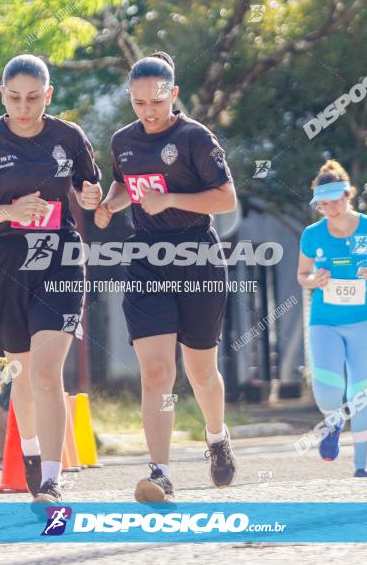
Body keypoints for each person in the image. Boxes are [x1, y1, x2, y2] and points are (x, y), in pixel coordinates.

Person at [0, 54, 102, 503]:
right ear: (2, 96)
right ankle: (31, 455)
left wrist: (92, 196)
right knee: (21, 370)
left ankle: (53, 479)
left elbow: (89, 193)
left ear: (48, 95)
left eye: (33, 98)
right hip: (4, 258)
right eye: (14, 98)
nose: (23, 106)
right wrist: (8, 212)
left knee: (48, 370)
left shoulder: (68, 136)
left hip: (60, 256)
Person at [95, 51, 239, 502]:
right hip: (146, 260)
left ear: (173, 95)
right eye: (138, 103)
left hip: (198, 255)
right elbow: (124, 185)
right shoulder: (122, 141)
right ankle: (159, 473)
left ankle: (217, 438)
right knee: (156, 371)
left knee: (200, 371)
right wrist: (106, 204)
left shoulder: (196, 137)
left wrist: (172, 199)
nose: (147, 112)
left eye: (155, 102)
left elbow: (226, 198)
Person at [296, 160, 367, 478]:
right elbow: (301, 276)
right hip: (324, 321)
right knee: (327, 390)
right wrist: (314, 279)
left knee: (361, 394)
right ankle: (332, 423)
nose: (328, 209)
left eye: (333, 201)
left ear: (348, 195)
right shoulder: (312, 235)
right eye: (322, 204)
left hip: (365, 321)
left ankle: (361, 465)